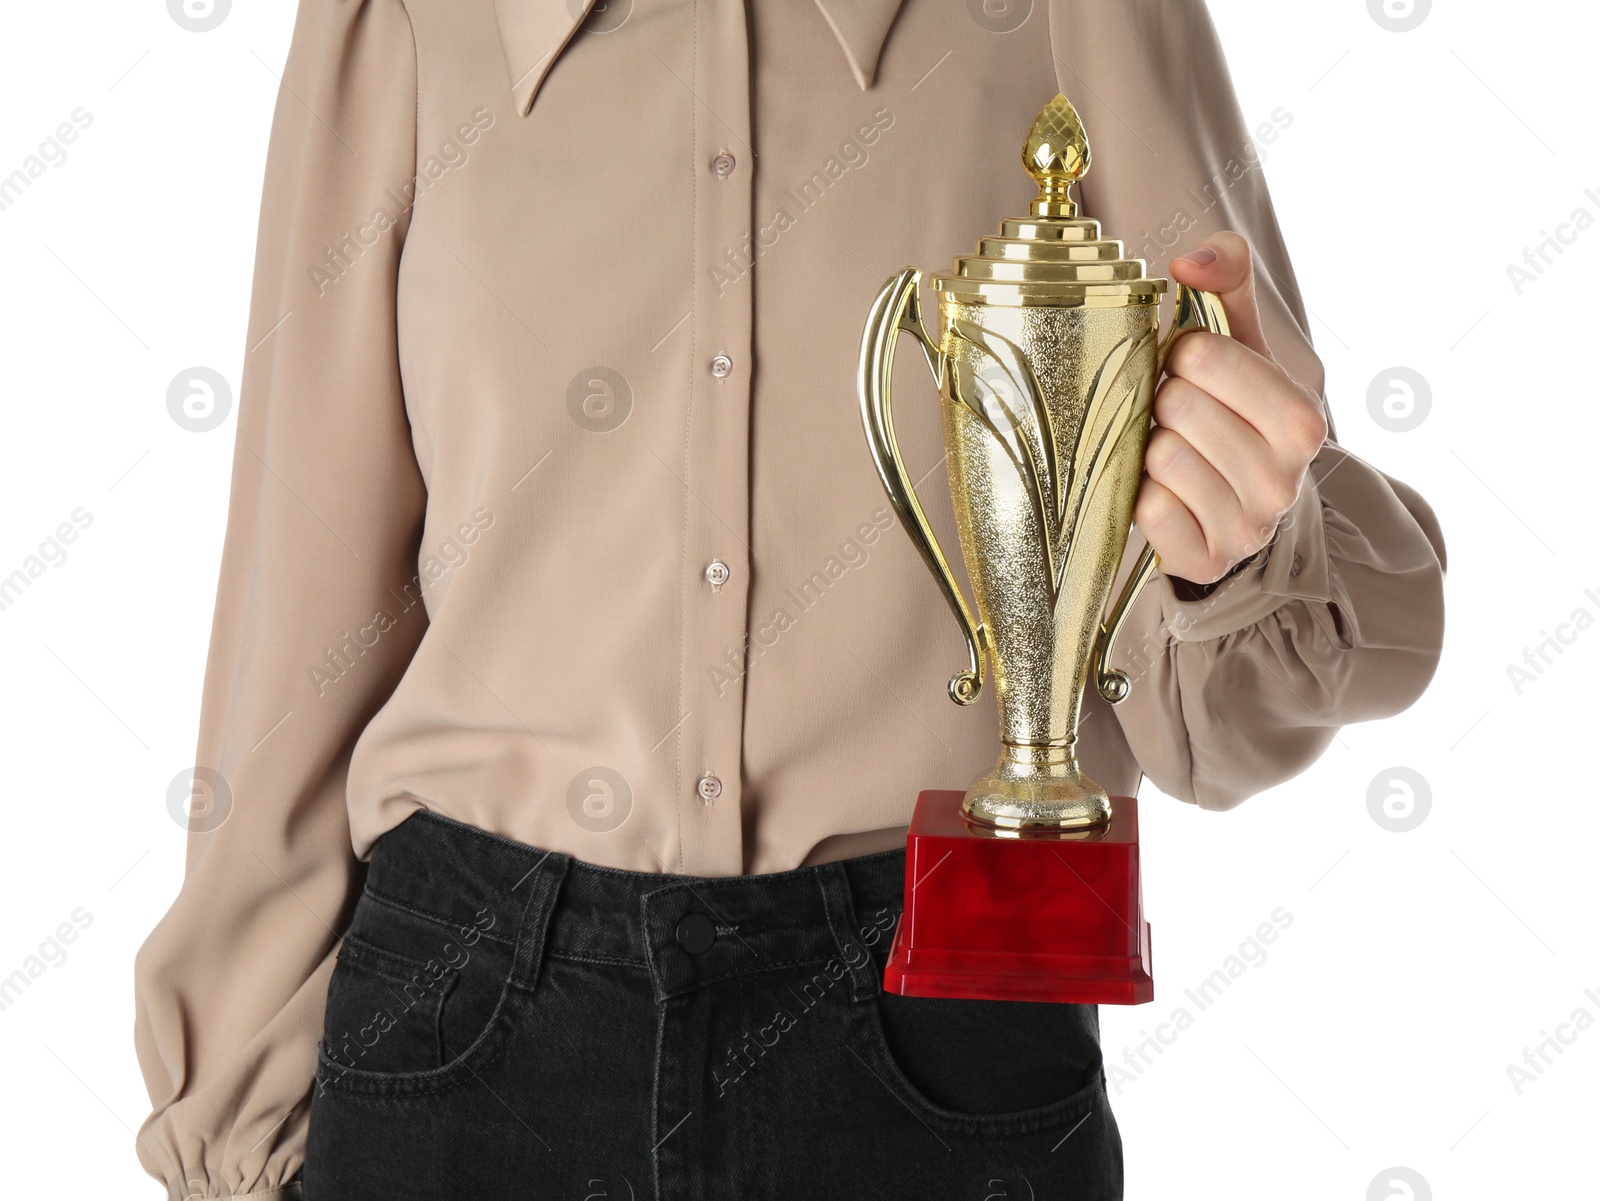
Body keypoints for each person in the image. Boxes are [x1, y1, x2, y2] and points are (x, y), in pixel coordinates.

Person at [132, 0, 1447, 1197]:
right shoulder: (401, 21)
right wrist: (236, 1134)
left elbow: (1217, 699)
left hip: (943, 1020)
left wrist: (1235, 546)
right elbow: (300, 607)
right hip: (463, 1028)